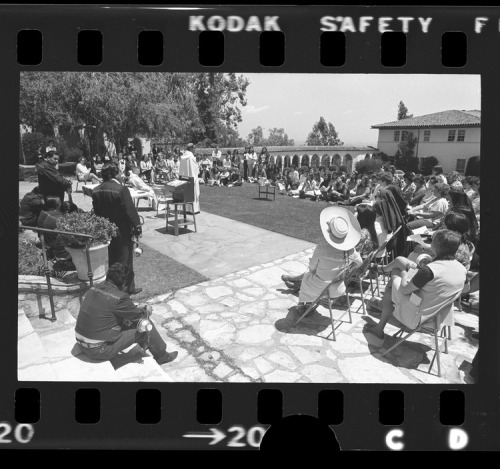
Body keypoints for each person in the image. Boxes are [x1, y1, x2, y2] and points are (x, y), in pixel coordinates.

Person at [365, 230, 467, 340]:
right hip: (439, 313)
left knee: (395, 274)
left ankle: (380, 325)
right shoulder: (461, 269)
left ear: (436, 247)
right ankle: (381, 315)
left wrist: (404, 273)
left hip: (418, 315)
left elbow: (404, 290)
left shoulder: (429, 271)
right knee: (401, 264)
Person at [75, 262, 178, 365]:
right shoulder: (120, 297)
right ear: (124, 284)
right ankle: (162, 356)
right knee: (145, 325)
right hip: (99, 351)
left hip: (81, 344)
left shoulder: (94, 288)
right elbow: (139, 317)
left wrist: (135, 308)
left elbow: (111, 308)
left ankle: (146, 345)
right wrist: (147, 310)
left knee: (127, 321)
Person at [281, 206, 363, 308]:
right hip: (338, 287)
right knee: (313, 276)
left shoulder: (322, 248)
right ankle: (299, 292)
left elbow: (312, 268)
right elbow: (360, 262)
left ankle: (301, 305)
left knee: (308, 276)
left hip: (323, 288)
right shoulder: (350, 250)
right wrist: (348, 267)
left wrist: (314, 271)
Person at [92, 163, 142, 295]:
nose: (121, 175)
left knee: (112, 258)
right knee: (125, 259)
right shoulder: (121, 189)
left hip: (106, 229)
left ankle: (115, 287)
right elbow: (129, 210)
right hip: (122, 229)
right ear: (115, 174)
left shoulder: (96, 190)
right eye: (120, 172)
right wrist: (137, 227)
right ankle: (125, 290)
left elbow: (96, 213)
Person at [179, 143, 200, 213]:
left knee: (186, 193)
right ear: (190, 149)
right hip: (192, 178)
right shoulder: (191, 157)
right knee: (192, 193)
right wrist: (198, 167)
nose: (194, 150)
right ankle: (193, 210)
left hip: (184, 178)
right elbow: (195, 168)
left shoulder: (182, 157)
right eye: (193, 148)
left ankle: (186, 209)